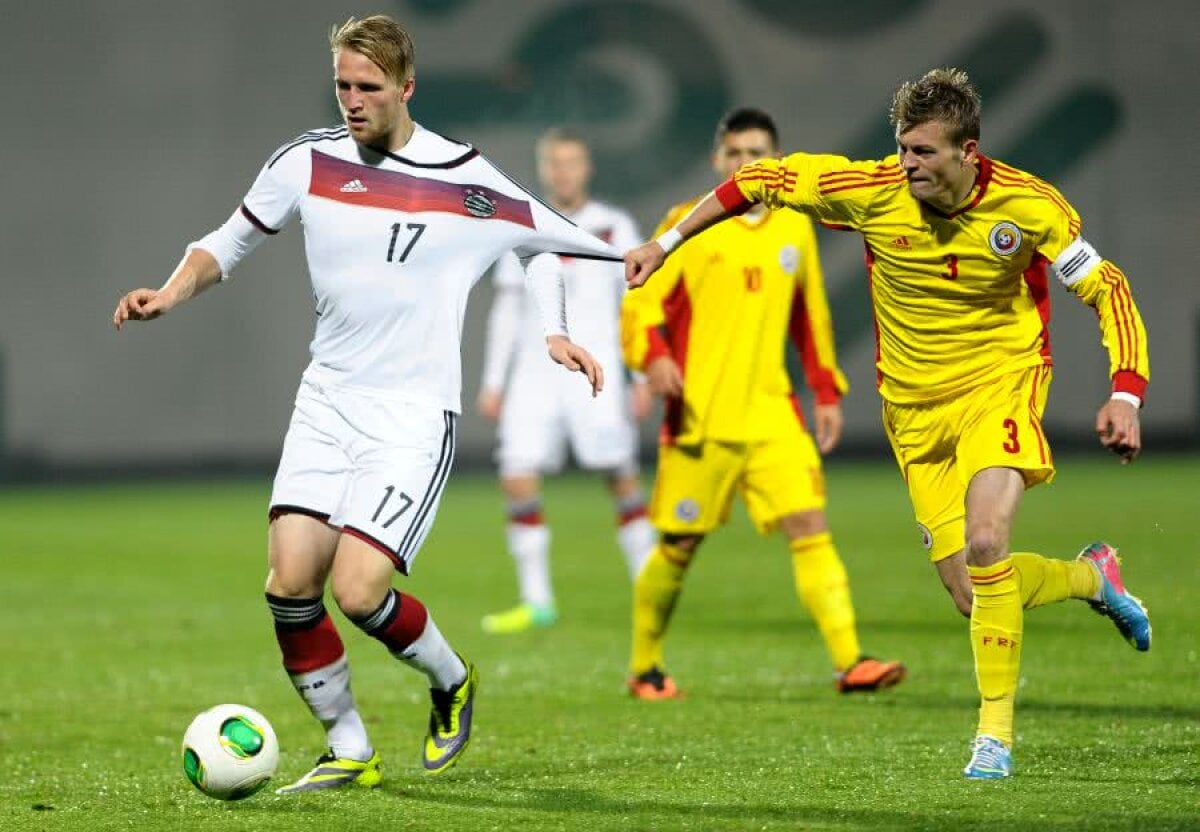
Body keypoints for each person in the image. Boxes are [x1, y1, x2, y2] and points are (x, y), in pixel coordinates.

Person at [113, 15, 620, 793]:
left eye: (369, 88)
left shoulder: (465, 175)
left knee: (358, 592)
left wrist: (554, 332)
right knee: (288, 585)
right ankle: (348, 745)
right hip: (327, 403)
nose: (352, 100)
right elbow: (229, 239)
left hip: (413, 417)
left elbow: (541, 240)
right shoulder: (306, 162)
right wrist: (171, 293)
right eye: (343, 85)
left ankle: (451, 681)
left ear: (406, 87)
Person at [624, 69, 1152, 778]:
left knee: (989, 540)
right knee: (973, 593)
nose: (908, 166)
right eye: (903, 149)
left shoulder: (1030, 208)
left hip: (999, 385)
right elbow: (758, 183)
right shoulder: (871, 191)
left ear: (968, 150)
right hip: (912, 410)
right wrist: (668, 244)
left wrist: (1126, 393)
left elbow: (1106, 288)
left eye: (925, 153)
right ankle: (1093, 579)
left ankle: (993, 736)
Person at [620, 108, 906, 701]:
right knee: (678, 545)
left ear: (776, 162)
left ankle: (851, 662)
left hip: (774, 413)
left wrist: (826, 391)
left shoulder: (794, 227)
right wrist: (653, 359)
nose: (746, 164)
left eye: (757, 153)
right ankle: (645, 667)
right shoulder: (686, 225)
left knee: (811, 527)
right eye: (735, 154)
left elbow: (811, 317)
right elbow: (640, 305)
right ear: (717, 162)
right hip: (702, 417)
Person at [477, 128, 655, 634]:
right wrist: (494, 381)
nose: (563, 172)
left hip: (597, 373)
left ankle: (650, 590)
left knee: (620, 475)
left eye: (572, 162)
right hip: (534, 378)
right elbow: (507, 310)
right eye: (555, 163)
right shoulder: (522, 223)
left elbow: (634, 302)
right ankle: (537, 601)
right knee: (516, 476)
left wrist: (639, 375)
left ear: (587, 167)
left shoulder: (612, 225)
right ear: (544, 168)